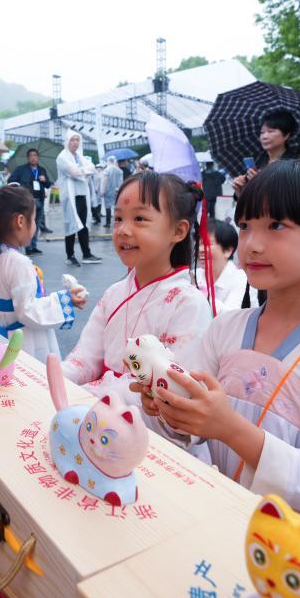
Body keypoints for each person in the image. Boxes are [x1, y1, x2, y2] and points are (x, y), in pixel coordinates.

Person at [139, 159, 300, 551]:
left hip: (294, 550)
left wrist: (229, 427)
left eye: (276, 225)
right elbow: (194, 428)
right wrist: (170, 410)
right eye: (245, 225)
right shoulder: (226, 327)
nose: (251, 244)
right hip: (218, 517)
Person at [63, 172, 213, 450]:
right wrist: (56, 379)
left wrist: (86, 395)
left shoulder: (189, 304)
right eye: (118, 218)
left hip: (149, 435)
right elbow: (85, 357)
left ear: (178, 231)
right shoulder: (114, 293)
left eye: (140, 218)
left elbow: (171, 393)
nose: (123, 230)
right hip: (96, 419)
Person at [0, 186, 88, 359]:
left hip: (6, 336)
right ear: (20, 221)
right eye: (34, 219)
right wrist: (65, 300)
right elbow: (27, 310)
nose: (35, 225)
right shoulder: (18, 262)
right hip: (28, 341)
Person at [56, 131, 101, 267]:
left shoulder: (80, 156)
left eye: (77, 140)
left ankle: (86, 254)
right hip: (70, 196)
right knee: (71, 224)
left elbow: (92, 168)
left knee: (83, 225)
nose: (75, 142)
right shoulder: (62, 157)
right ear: (67, 141)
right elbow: (73, 173)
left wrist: (81, 171)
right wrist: (84, 171)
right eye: (72, 140)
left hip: (82, 194)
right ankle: (70, 256)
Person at [231, 109, 297, 199]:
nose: (264, 136)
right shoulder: (258, 161)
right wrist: (240, 191)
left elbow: (292, 198)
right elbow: (249, 199)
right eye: (262, 132)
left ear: (286, 135)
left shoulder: (296, 165)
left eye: (270, 131)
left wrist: (260, 184)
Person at [198, 218, 254, 313]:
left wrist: (202, 296)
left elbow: (232, 315)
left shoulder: (242, 279)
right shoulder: (194, 275)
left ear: (228, 251)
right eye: (199, 244)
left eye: (207, 243)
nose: (200, 249)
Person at [8, 148, 51, 254]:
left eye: (35, 155)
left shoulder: (42, 170)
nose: (33, 157)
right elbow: (11, 181)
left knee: (37, 224)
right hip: (27, 200)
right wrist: (21, 189)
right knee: (28, 224)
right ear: (28, 158)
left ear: (38, 157)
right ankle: (28, 247)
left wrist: (45, 180)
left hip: (40, 199)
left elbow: (48, 185)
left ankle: (33, 246)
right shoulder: (21, 169)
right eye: (31, 155)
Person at [101, 155, 123, 227]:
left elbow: (105, 181)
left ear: (109, 161)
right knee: (116, 206)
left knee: (108, 207)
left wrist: (103, 191)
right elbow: (121, 181)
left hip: (108, 191)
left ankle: (108, 223)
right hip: (117, 191)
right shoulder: (119, 170)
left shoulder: (107, 170)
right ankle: (119, 221)